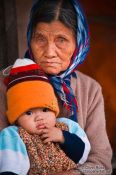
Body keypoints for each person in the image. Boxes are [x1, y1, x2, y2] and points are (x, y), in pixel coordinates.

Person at [0, 0, 112, 175]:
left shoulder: (90, 89)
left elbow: (102, 165)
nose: (50, 52)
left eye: (62, 40)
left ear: (78, 43)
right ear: (30, 38)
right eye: (40, 39)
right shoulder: (5, 83)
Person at [0, 58, 90, 175]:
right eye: (29, 113)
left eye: (45, 109)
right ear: (16, 119)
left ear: (54, 110)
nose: (39, 118)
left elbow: (83, 155)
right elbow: (11, 166)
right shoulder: (15, 135)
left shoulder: (65, 126)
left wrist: (63, 138)